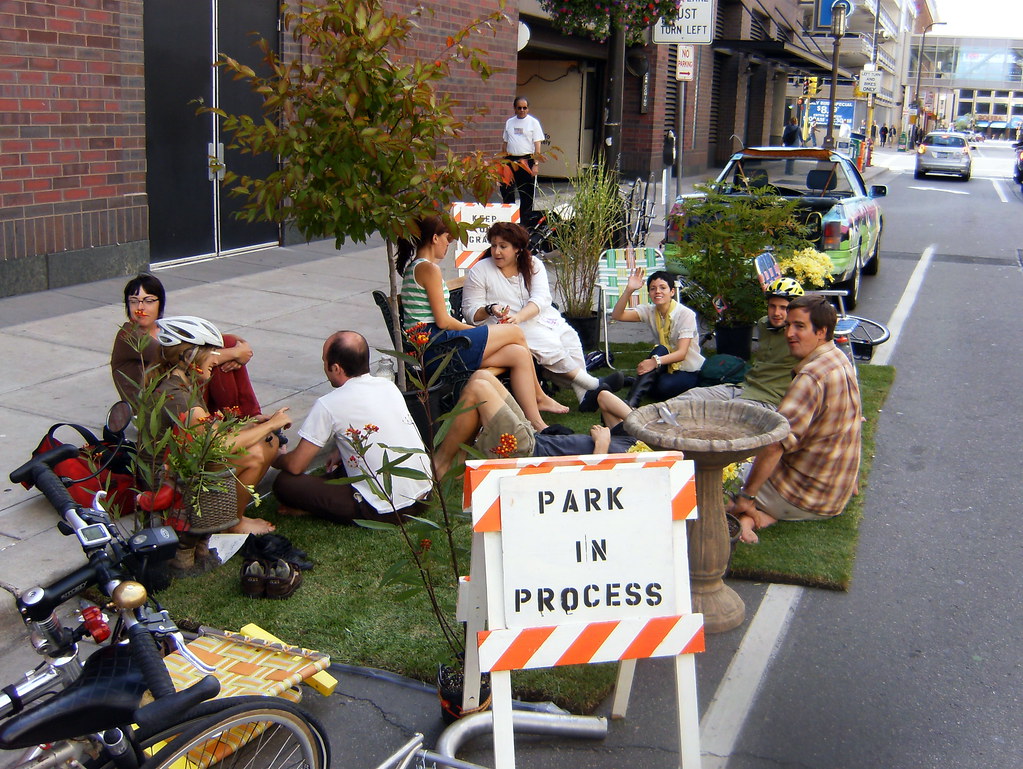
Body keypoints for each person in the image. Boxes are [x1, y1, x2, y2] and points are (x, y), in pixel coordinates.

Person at [399, 215, 567, 431]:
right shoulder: (428, 269)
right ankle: (540, 396)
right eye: (447, 238)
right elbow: (443, 321)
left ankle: (536, 424)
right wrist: (475, 331)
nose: (448, 244)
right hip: (435, 348)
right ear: (435, 238)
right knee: (514, 332)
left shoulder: (418, 267)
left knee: (518, 353)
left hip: (434, 344)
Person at [726, 294, 862, 544]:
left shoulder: (811, 377)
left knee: (719, 478)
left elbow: (775, 444)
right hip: (833, 494)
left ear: (821, 332)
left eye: (799, 326)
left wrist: (748, 496)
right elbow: (855, 422)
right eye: (788, 325)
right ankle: (759, 517)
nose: (789, 333)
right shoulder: (840, 358)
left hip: (803, 496)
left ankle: (750, 510)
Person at [144, 316, 290, 544]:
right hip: (170, 483)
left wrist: (252, 424)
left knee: (266, 439)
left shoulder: (179, 382)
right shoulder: (180, 398)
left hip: (183, 468)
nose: (216, 358)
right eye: (211, 352)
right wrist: (271, 425)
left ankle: (231, 517)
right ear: (189, 356)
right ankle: (232, 524)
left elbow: (206, 435)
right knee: (257, 453)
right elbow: (218, 446)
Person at [272, 331, 432, 524]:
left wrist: (277, 457)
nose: (324, 366)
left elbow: (296, 465)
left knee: (285, 483)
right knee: (338, 470)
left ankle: (311, 508)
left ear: (336, 368)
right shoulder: (388, 386)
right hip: (424, 496)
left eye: (325, 362)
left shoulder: (328, 404)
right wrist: (340, 449)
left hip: (383, 509)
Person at [462, 221, 624, 410]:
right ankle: (594, 384)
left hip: (535, 317)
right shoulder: (480, 270)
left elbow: (541, 298)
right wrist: (490, 309)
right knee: (549, 345)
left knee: (569, 337)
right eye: (494, 246)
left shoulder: (532, 264)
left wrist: (520, 317)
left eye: (503, 247)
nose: (496, 251)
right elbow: (470, 311)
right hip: (501, 329)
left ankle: (584, 397)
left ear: (517, 249)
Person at [432, 370, 638, 478]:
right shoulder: (635, 441)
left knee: (478, 389)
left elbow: (595, 492)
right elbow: (604, 397)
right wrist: (639, 423)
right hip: (535, 437)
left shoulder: (645, 463)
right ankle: (458, 457)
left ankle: (440, 465)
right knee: (482, 375)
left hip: (530, 454)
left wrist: (601, 447)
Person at [110, 273, 260, 416]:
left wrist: (242, 346)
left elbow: (211, 341)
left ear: (160, 303)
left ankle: (250, 416)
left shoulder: (164, 329)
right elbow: (184, 357)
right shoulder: (128, 334)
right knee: (216, 358)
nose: (140, 308)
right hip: (157, 407)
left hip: (180, 394)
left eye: (148, 301)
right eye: (134, 301)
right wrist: (236, 353)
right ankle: (242, 419)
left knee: (226, 343)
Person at [672, 277, 802, 410]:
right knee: (689, 397)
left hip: (769, 399)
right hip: (743, 388)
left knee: (722, 413)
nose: (776, 313)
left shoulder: (801, 336)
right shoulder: (764, 324)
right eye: (772, 306)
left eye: (783, 308)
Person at [611, 268, 705, 407]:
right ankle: (631, 401)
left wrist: (654, 362)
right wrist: (629, 290)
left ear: (672, 292)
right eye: (653, 289)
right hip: (665, 364)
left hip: (686, 369)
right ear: (649, 293)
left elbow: (682, 353)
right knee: (660, 349)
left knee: (662, 388)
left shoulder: (686, 314)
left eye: (663, 287)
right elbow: (617, 315)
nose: (658, 292)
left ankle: (638, 382)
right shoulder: (650, 311)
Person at [499, 96, 544, 220]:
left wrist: (535, 164)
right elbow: (505, 142)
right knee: (506, 189)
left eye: (525, 108)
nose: (522, 110)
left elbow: (537, 144)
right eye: (519, 108)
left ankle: (525, 220)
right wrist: (502, 162)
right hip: (510, 160)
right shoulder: (509, 122)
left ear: (528, 109)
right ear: (515, 108)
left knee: (526, 192)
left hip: (526, 160)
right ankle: (509, 217)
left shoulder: (533, 122)